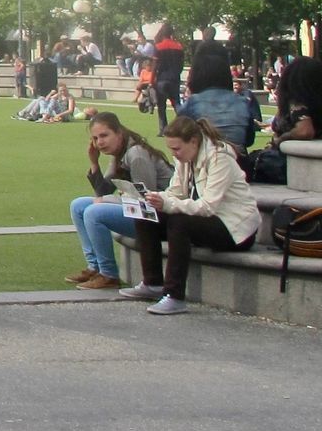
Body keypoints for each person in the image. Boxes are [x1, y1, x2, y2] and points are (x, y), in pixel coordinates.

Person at [121, 117, 260, 315]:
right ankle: (152, 283)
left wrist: (168, 203)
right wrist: (152, 198)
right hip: (210, 222)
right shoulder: (186, 158)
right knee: (146, 215)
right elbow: (175, 192)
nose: (174, 155)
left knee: (179, 222)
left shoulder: (220, 158)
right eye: (171, 149)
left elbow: (207, 207)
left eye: (177, 149)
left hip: (236, 230)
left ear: (193, 141)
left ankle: (174, 295)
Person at [68, 111, 175, 290]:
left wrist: (109, 200)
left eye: (104, 135)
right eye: (95, 138)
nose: (99, 142)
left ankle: (108, 274)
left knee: (94, 212)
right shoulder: (120, 153)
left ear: (119, 133)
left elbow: (145, 201)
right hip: (144, 212)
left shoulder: (137, 154)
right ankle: (94, 266)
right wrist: (94, 163)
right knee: (78, 205)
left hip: (158, 219)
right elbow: (103, 191)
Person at [179, 42, 251, 148]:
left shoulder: (193, 103)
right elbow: (249, 140)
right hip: (236, 160)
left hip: (206, 160)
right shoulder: (242, 102)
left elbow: (177, 134)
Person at [150, 23, 185, 128]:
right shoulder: (179, 46)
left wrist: (152, 79)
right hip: (174, 78)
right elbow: (181, 65)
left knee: (161, 105)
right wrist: (177, 73)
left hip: (162, 79)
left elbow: (155, 65)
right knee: (176, 103)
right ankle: (183, 124)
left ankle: (163, 128)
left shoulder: (158, 47)